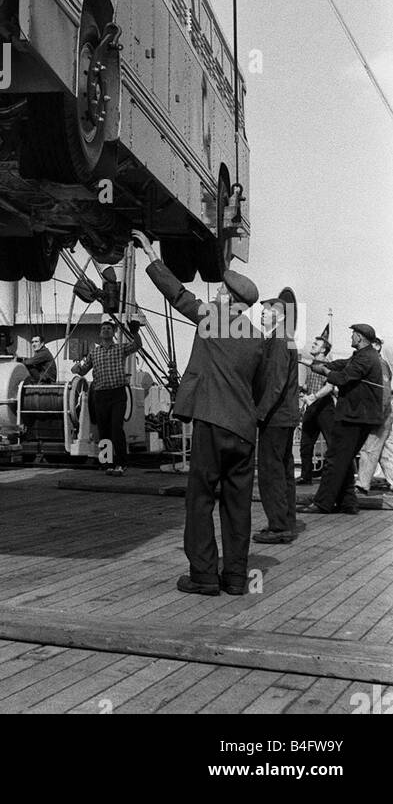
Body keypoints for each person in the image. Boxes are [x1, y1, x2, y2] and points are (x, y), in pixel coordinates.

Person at [135, 230, 286, 597]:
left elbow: (178, 295)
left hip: (213, 424)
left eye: (220, 290)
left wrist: (151, 255)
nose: (215, 293)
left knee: (200, 499)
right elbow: (265, 389)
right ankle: (236, 577)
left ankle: (203, 575)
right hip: (244, 431)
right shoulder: (257, 338)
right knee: (237, 505)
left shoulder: (212, 318)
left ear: (226, 298)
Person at [299, 324, 384, 514]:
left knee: (334, 459)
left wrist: (324, 371)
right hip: (359, 417)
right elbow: (340, 364)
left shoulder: (365, 358)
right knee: (343, 459)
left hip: (353, 417)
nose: (351, 337)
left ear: (360, 338)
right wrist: (313, 363)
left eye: (353, 334)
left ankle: (322, 503)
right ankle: (348, 503)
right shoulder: (364, 356)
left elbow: (341, 377)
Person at [71, 314, 144, 474]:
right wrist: (76, 368)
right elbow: (82, 370)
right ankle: (107, 463)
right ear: (100, 333)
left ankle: (121, 463)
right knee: (104, 430)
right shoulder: (94, 353)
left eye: (108, 329)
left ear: (113, 332)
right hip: (100, 395)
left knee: (116, 429)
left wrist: (135, 332)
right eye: (103, 329)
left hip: (118, 394)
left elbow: (137, 345)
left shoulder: (120, 349)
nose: (105, 330)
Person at [255, 288, 300, 544]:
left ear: (280, 316)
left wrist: (259, 414)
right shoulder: (286, 338)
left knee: (271, 472)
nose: (261, 315)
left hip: (275, 417)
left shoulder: (279, 340)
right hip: (286, 417)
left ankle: (278, 527)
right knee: (284, 471)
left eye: (266, 311)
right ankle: (286, 521)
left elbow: (275, 383)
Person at [298, 327, 336, 483]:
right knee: (306, 444)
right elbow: (311, 384)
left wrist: (313, 396)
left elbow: (329, 387)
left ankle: (332, 478)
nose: (312, 345)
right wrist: (302, 391)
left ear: (324, 349)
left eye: (316, 344)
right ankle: (306, 477)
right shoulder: (313, 364)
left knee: (332, 443)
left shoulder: (328, 365)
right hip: (312, 407)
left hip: (324, 408)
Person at [356, 333, 393, 493]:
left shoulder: (379, 363)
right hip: (383, 410)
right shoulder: (380, 363)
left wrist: (380, 412)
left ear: (377, 346)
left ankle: (363, 483)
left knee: (370, 447)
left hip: (381, 411)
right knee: (384, 449)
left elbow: (384, 391)